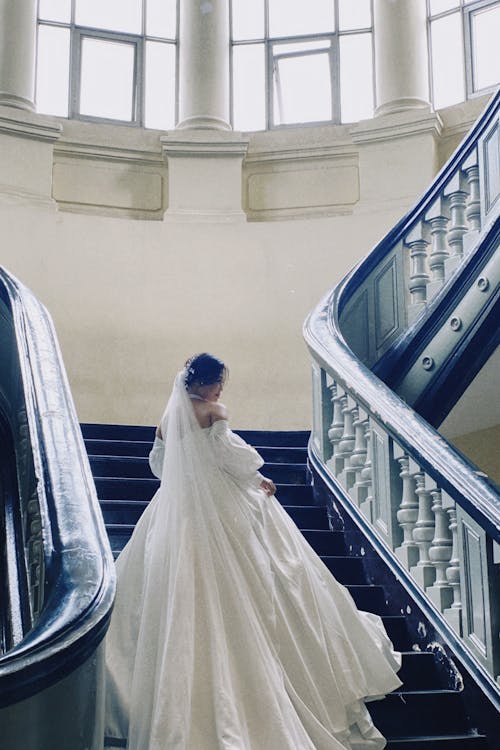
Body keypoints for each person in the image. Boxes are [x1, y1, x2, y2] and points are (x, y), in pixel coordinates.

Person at [105, 353, 402, 750]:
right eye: (218, 383)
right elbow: (234, 457)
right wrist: (259, 476)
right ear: (205, 384)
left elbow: (160, 467)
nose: (220, 390)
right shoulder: (214, 411)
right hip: (221, 503)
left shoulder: (166, 421)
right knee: (273, 567)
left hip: (177, 510)